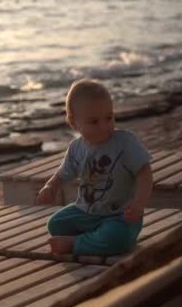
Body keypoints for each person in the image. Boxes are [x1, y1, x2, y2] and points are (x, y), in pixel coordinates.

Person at [36, 78, 153, 256]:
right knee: (55, 224)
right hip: (85, 212)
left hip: (120, 215)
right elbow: (62, 175)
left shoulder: (125, 141)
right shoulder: (77, 147)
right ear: (74, 123)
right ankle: (92, 238)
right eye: (94, 121)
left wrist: (138, 204)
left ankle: (76, 243)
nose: (105, 126)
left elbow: (145, 174)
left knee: (116, 238)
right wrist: (50, 187)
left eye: (109, 117)